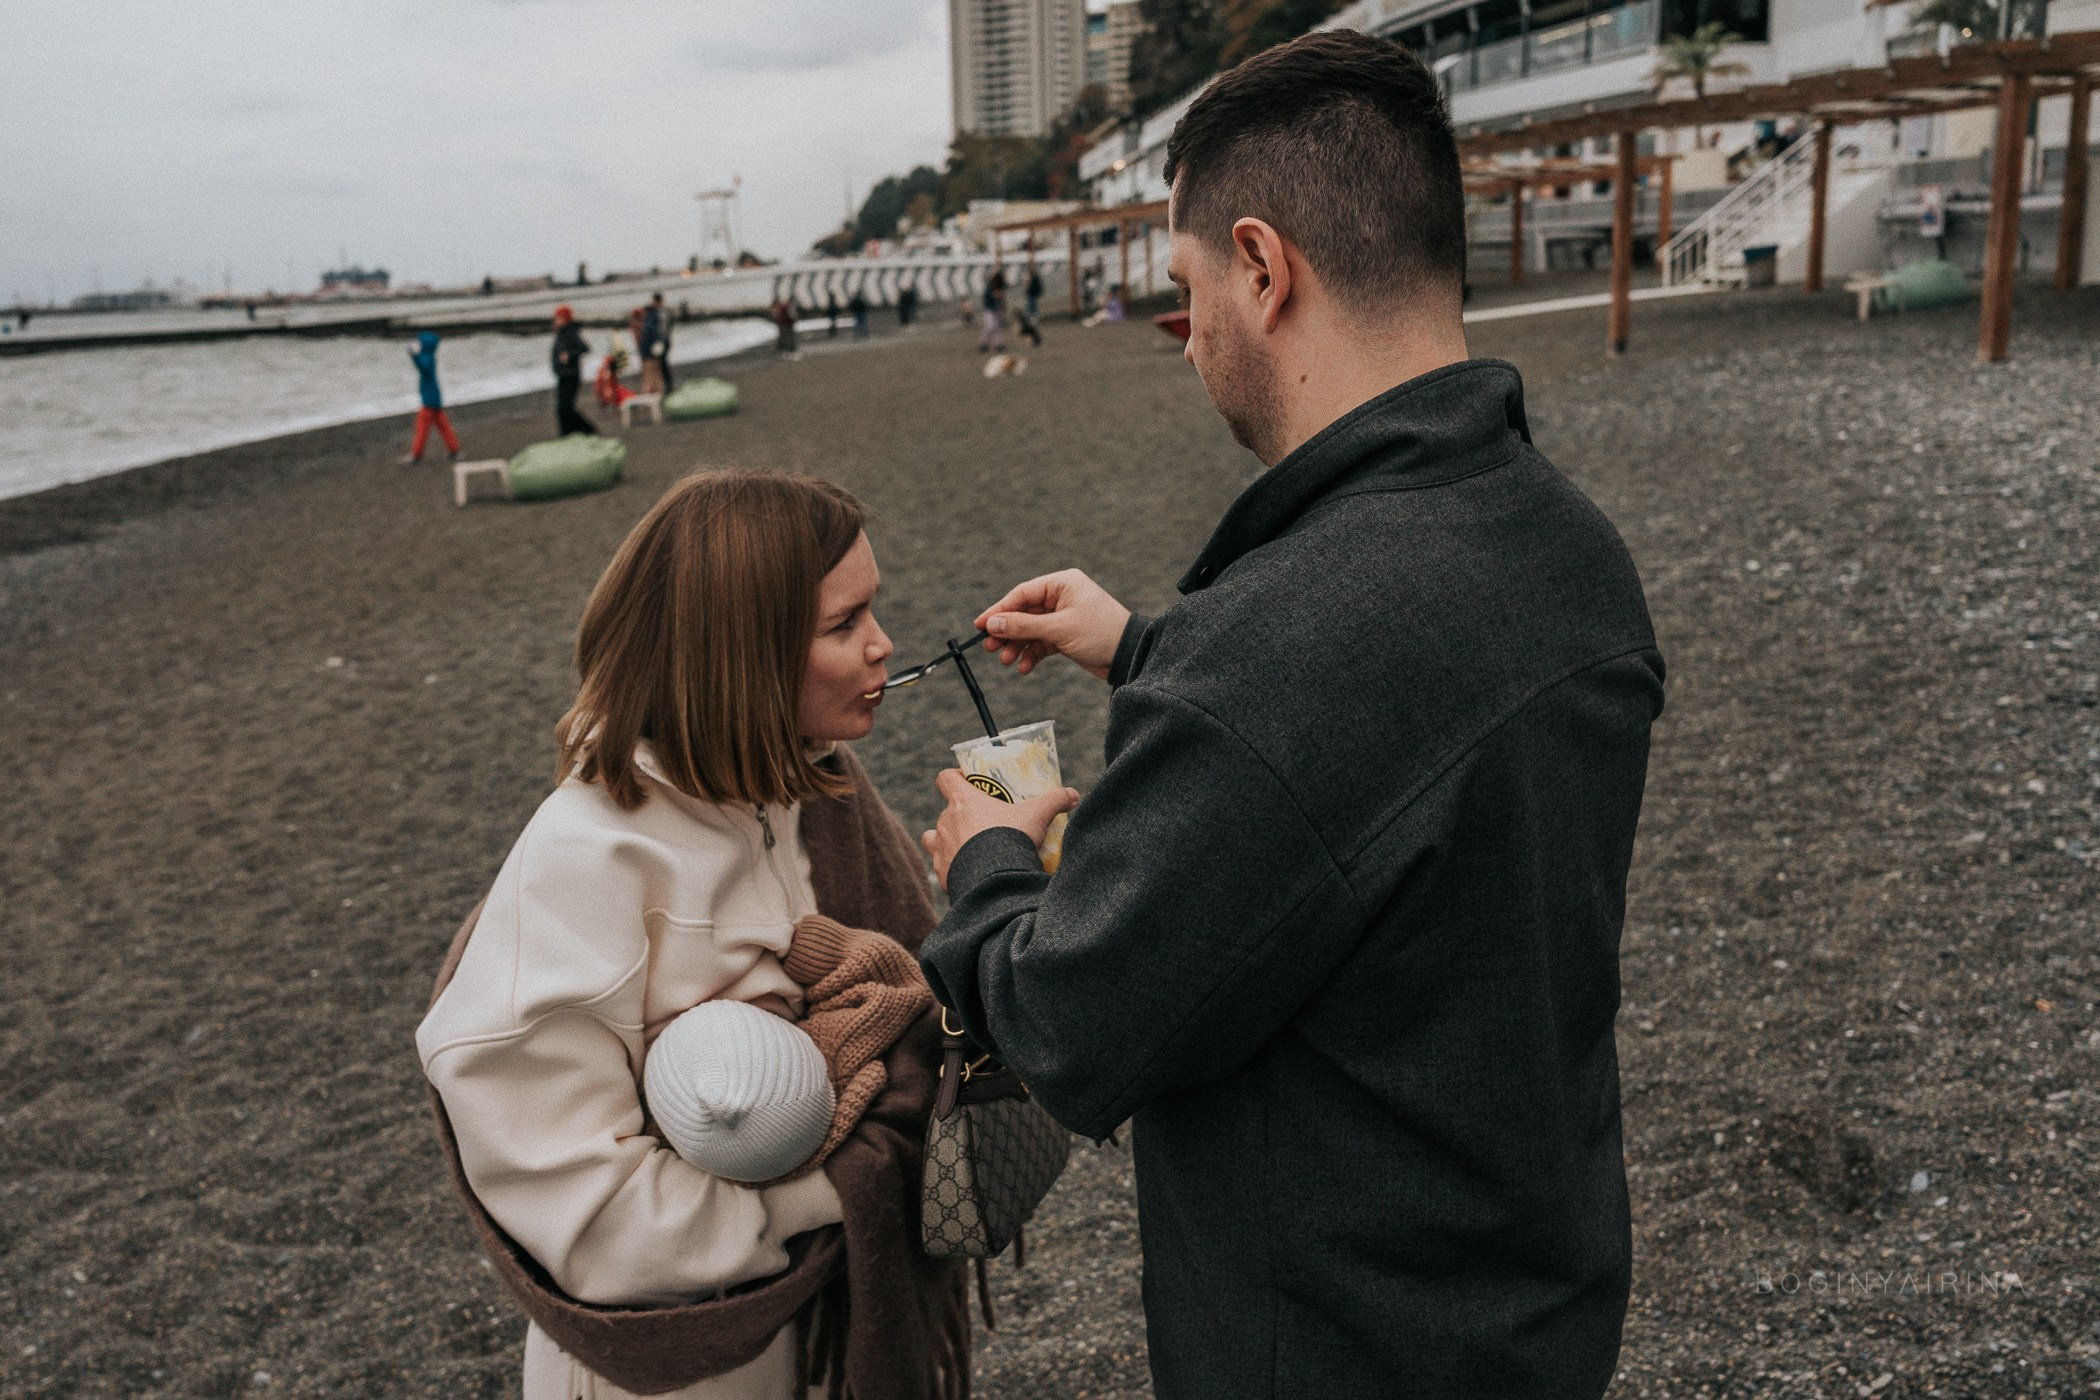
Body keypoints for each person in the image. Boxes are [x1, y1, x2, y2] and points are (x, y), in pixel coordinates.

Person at [916, 31, 1664, 1400]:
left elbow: (1072, 1021)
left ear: (1264, 270)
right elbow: (1384, 775)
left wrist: (985, 865)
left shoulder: (1274, 650)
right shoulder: (1572, 551)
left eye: (1187, 294)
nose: (1187, 335)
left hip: (1339, 1342)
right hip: (1535, 1297)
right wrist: (1145, 647)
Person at [419, 470, 968, 1400]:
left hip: (828, 1346)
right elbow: (584, 1215)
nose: (883, 645)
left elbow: (926, 995)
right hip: (683, 1375)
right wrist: (843, 1191)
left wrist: (1002, 861)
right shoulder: (587, 862)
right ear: (740, 653)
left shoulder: (809, 791)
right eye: (844, 625)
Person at [399, 330, 461, 464]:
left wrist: (413, 354)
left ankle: (416, 455)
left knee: (421, 426)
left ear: (424, 345)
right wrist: (415, 355)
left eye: (419, 342)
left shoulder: (427, 358)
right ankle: (454, 450)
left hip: (429, 401)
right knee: (443, 426)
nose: (417, 344)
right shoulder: (430, 357)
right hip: (434, 399)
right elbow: (422, 366)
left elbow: (423, 366)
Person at [549, 305, 596, 437]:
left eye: (558, 318)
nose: (555, 321)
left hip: (570, 375)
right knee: (563, 407)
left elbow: (584, 348)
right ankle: (568, 432)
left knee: (564, 407)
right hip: (563, 374)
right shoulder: (562, 333)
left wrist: (569, 356)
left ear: (565, 319)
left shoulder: (570, 332)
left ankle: (585, 428)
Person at [644, 291, 675, 393]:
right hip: (662, 341)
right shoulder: (661, 312)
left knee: (662, 364)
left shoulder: (660, 313)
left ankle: (666, 386)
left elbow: (660, 329)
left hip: (661, 342)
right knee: (661, 364)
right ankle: (665, 386)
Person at [977, 267, 1006, 354]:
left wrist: (1003, 309)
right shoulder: (989, 288)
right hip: (989, 310)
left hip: (996, 309)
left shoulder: (998, 287)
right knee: (989, 327)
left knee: (997, 327)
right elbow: (988, 299)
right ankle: (983, 343)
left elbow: (1001, 300)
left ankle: (998, 344)